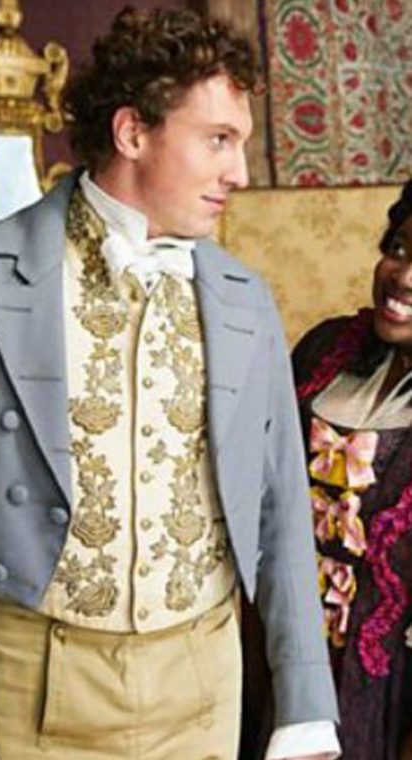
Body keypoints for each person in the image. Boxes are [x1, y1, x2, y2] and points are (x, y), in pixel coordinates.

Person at [0, 7, 339, 760]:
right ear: (132, 133)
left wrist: (305, 707)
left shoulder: (246, 298)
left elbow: (283, 509)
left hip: (205, 689)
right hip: (28, 691)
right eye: (218, 140)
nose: (239, 173)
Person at [293, 180, 412, 760]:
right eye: (399, 248)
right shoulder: (324, 350)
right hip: (278, 658)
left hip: (382, 694)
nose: (403, 277)